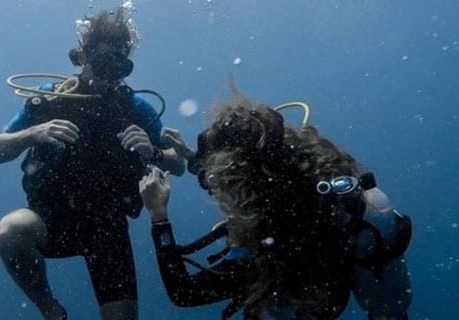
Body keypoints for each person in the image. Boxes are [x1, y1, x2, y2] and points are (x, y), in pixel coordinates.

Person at [139, 89, 413, 319]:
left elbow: (184, 292)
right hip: (337, 273)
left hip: (296, 292)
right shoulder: (303, 176)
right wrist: (193, 159)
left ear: (241, 184)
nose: (217, 191)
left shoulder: (264, 241)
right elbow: (246, 170)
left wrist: (158, 214)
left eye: (220, 181)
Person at [0, 5, 184, 320]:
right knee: (11, 230)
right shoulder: (52, 98)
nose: (111, 74)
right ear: (82, 58)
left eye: (120, 66)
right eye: (103, 62)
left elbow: (179, 165)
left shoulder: (135, 107)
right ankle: (50, 310)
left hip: (107, 228)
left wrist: (154, 152)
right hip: (51, 219)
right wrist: (35, 132)